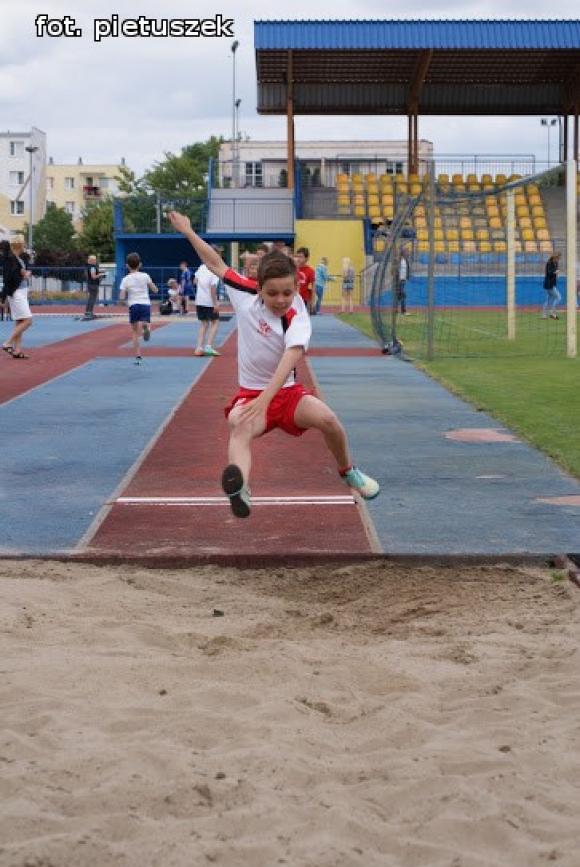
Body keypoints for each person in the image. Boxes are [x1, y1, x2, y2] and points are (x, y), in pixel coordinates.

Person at [168, 210, 380, 518]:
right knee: (238, 426)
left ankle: (349, 472)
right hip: (251, 395)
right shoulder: (243, 292)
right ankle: (239, 490)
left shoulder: (297, 312)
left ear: (295, 288)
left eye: (287, 292)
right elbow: (214, 262)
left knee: (330, 421)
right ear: (258, 287)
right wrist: (188, 231)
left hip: (288, 394)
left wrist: (267, 398)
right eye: (273, 293)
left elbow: (292, 355)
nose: (281, 299)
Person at [119, 252, 159, 365]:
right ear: (140, 265)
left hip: (133, 305)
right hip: (145, 304)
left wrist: (123, 302)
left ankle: (138, 355)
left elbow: (122, 296)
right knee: (145, 322)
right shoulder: (145, 276)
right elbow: (155, 289)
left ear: (127, 266)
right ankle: (146, 326)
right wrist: (155, 290)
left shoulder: (125, 279)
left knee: (135, 332)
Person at [1, 238, 33, 359]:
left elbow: (23, 271)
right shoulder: (10, 259)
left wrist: (25, 273)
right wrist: (22, 274)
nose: (25, 246)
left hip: (22, 291)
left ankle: (17, 350)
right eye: (23, 244)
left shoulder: (19, 257)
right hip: (16, 292)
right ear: (19, 245)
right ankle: (7, 343)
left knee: (19, 320)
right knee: (28, 321)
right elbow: (8, 278)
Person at [193, 261, 221, 357]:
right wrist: (215, 303)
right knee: (215, 322)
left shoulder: (201, 267)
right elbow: (213, 289)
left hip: (199, 300)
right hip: (208, 301)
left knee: (204, 323)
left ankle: (199, 347)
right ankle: (208, 346)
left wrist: (202, 288)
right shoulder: (214, 270)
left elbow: (195, 281)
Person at [83, 254, 106, 320]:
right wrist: (101, 274)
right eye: (95, 260)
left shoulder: (88, 267)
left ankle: (88, 312)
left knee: (91, 298)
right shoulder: (92, 267)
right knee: (92, 298)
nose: (96, 261)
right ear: (92, 260)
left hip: (90, 284)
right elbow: (93, 276)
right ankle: (89, 312)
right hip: (93, 284)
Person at [295, 247, 316, 313]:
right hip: (293, 298)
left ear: (306, 258)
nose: (298, 259)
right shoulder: (292, 268)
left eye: (301, 257)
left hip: (303, 300)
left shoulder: (310, 271)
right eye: (297, 256)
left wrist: (312, 301)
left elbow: (313, 288)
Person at [542, 252, 561, 320]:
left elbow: (555, 272)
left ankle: (544, 316)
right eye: (557, 258)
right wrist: (555, 272)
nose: (558, 260)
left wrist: (557, 274)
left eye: (559, 259)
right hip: (549, 284)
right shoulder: (549, 263)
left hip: (552, 283)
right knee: (558, 297)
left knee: (548, 299)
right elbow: (549, 273)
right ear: (554, 258)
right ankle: (552, 313)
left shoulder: (555, 263)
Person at [395, 248, 411, 315]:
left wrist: (407, 276)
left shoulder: (406, 261)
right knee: (402, 295)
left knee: (399, 296)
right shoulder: (398, 260)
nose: (408, 253)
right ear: (403, 253)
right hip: (399, 281)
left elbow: (407, 269)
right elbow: (395, 270)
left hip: (403, 280)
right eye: (407, 252)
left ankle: (397, 310)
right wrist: (397, 278)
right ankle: (403, 311)